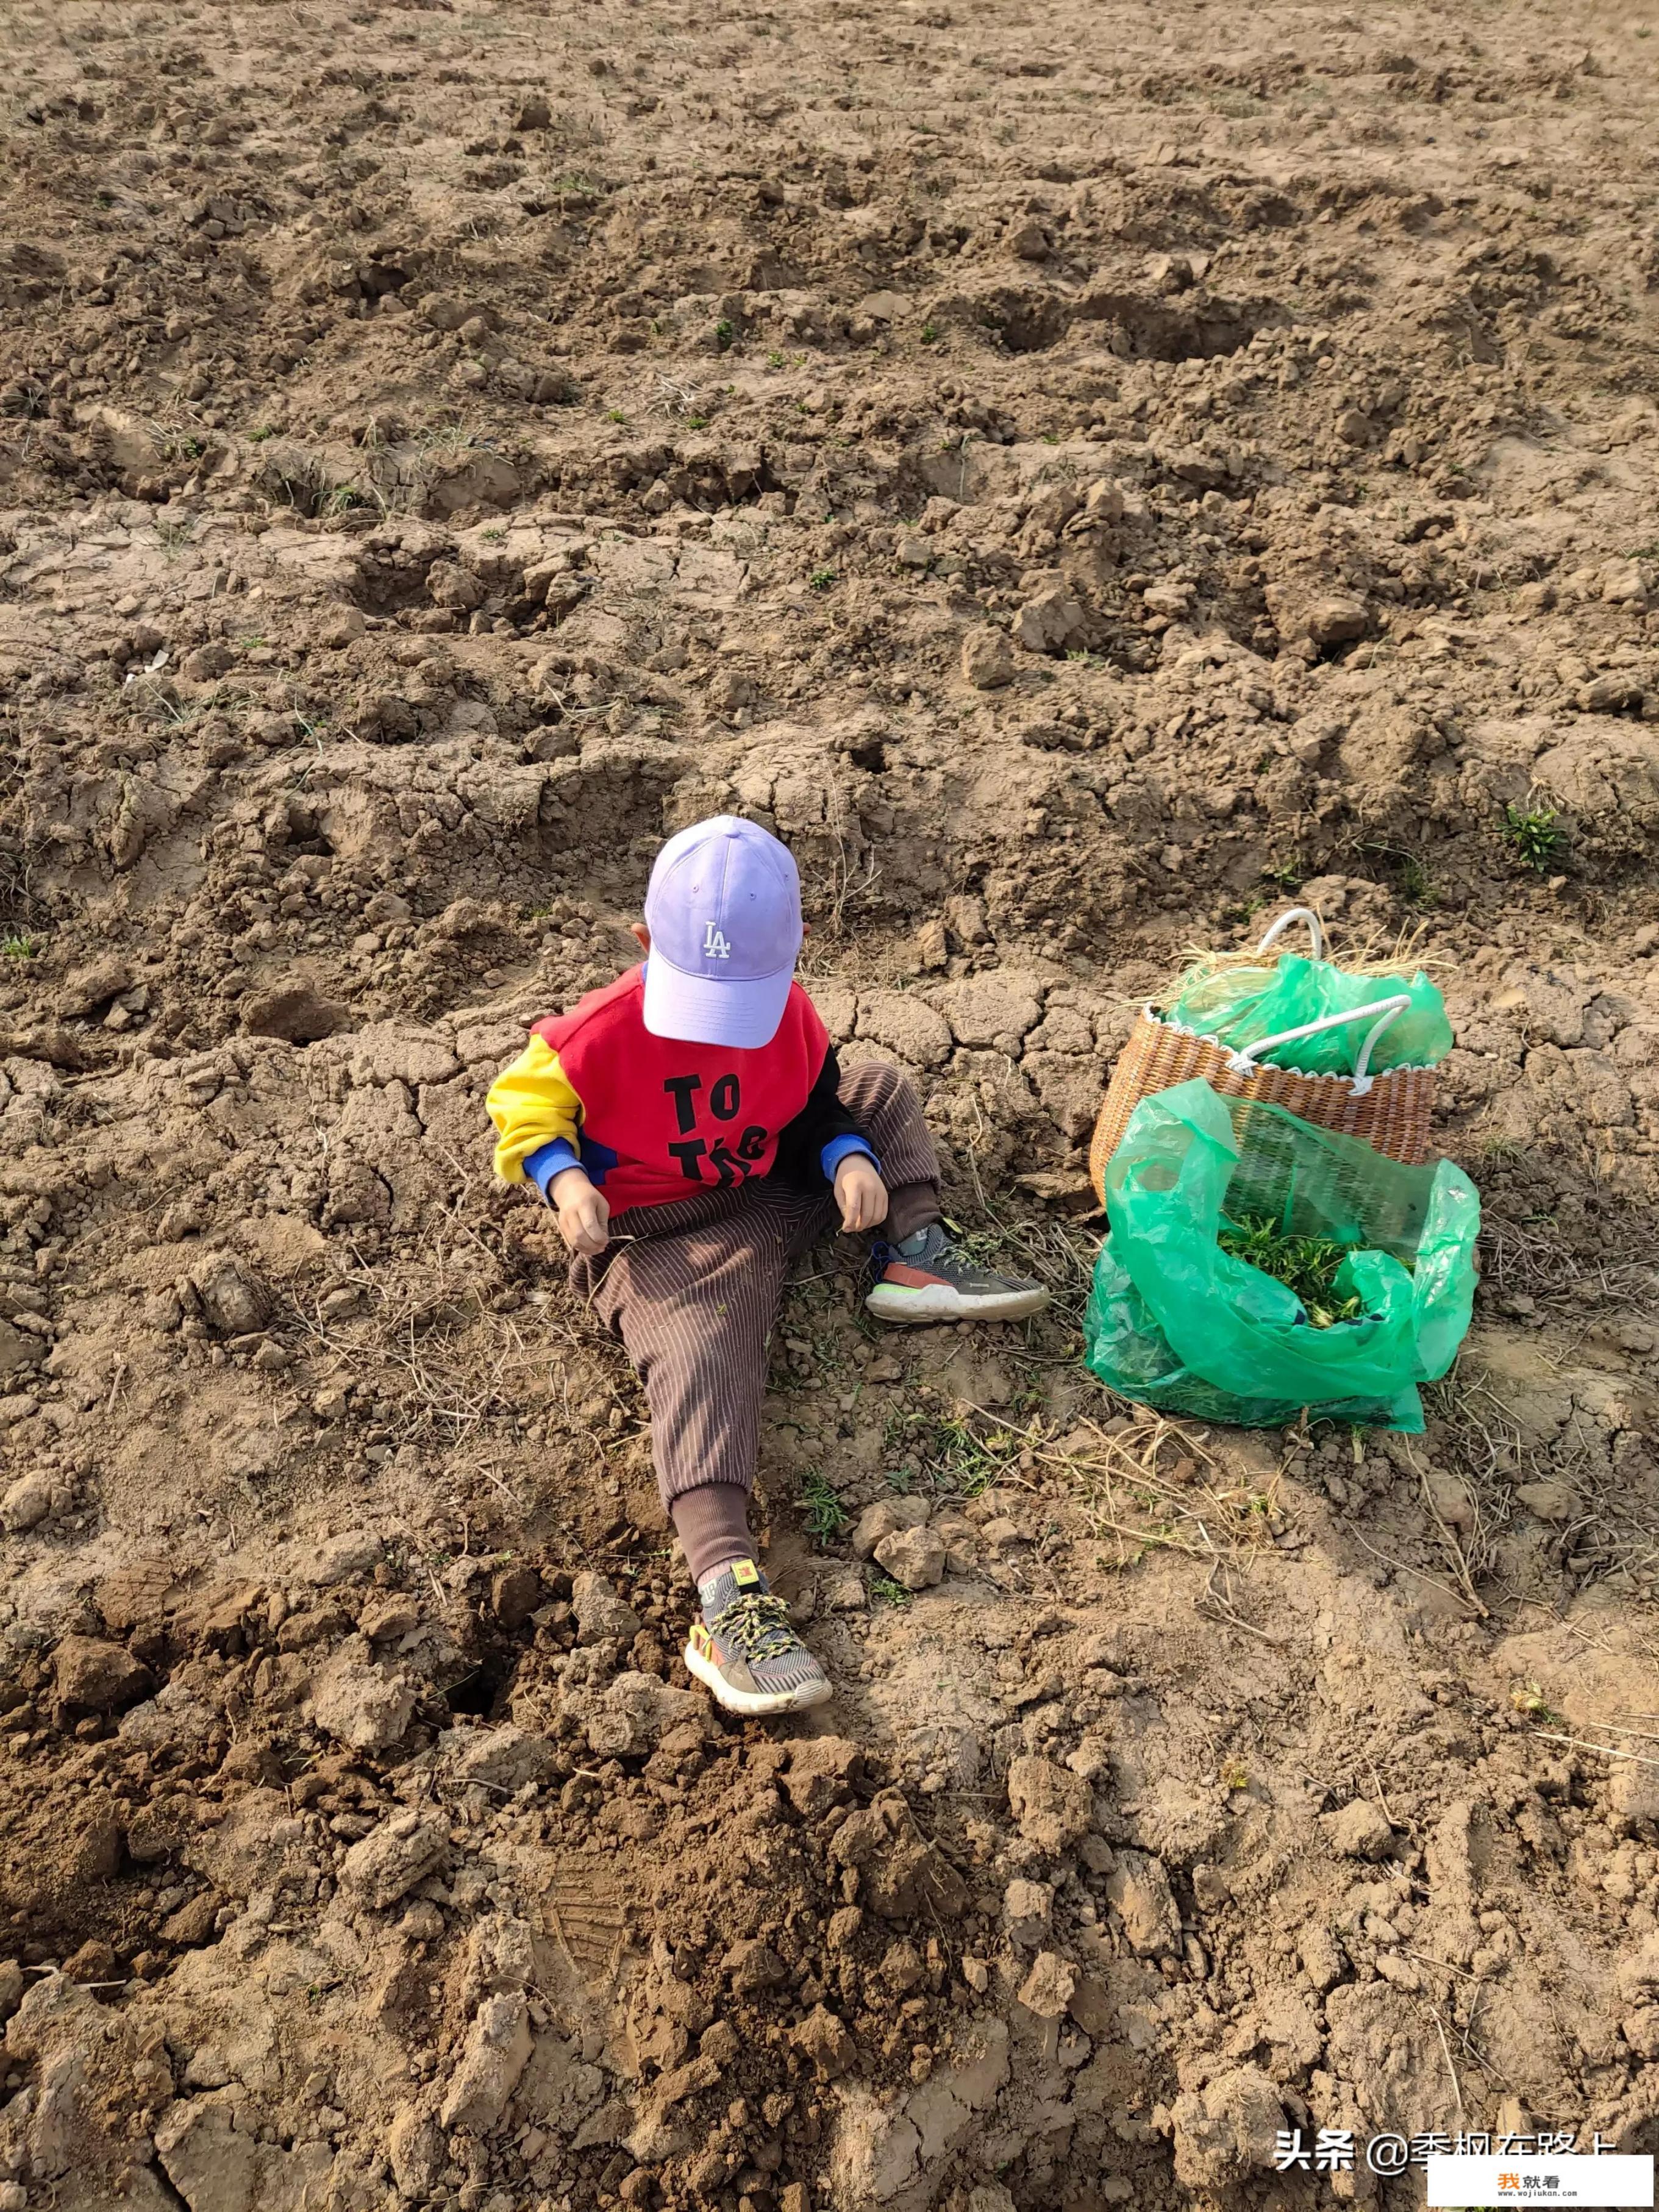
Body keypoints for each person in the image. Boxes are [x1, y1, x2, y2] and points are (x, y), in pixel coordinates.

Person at [487, 815, 1047, 1716]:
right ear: (643, 945)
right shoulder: (592, 1034)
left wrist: (847, 1158)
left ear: (798, 951)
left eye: (739, 1002)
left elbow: (819, 1100)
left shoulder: (789, 1010)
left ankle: (912, 1255)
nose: (721, 1029)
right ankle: (726, 1593)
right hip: (663, 1230)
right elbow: (524, 1110)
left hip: (763, 1184)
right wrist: (562, 1183)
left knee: (880, 1091)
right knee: (703, 1345)